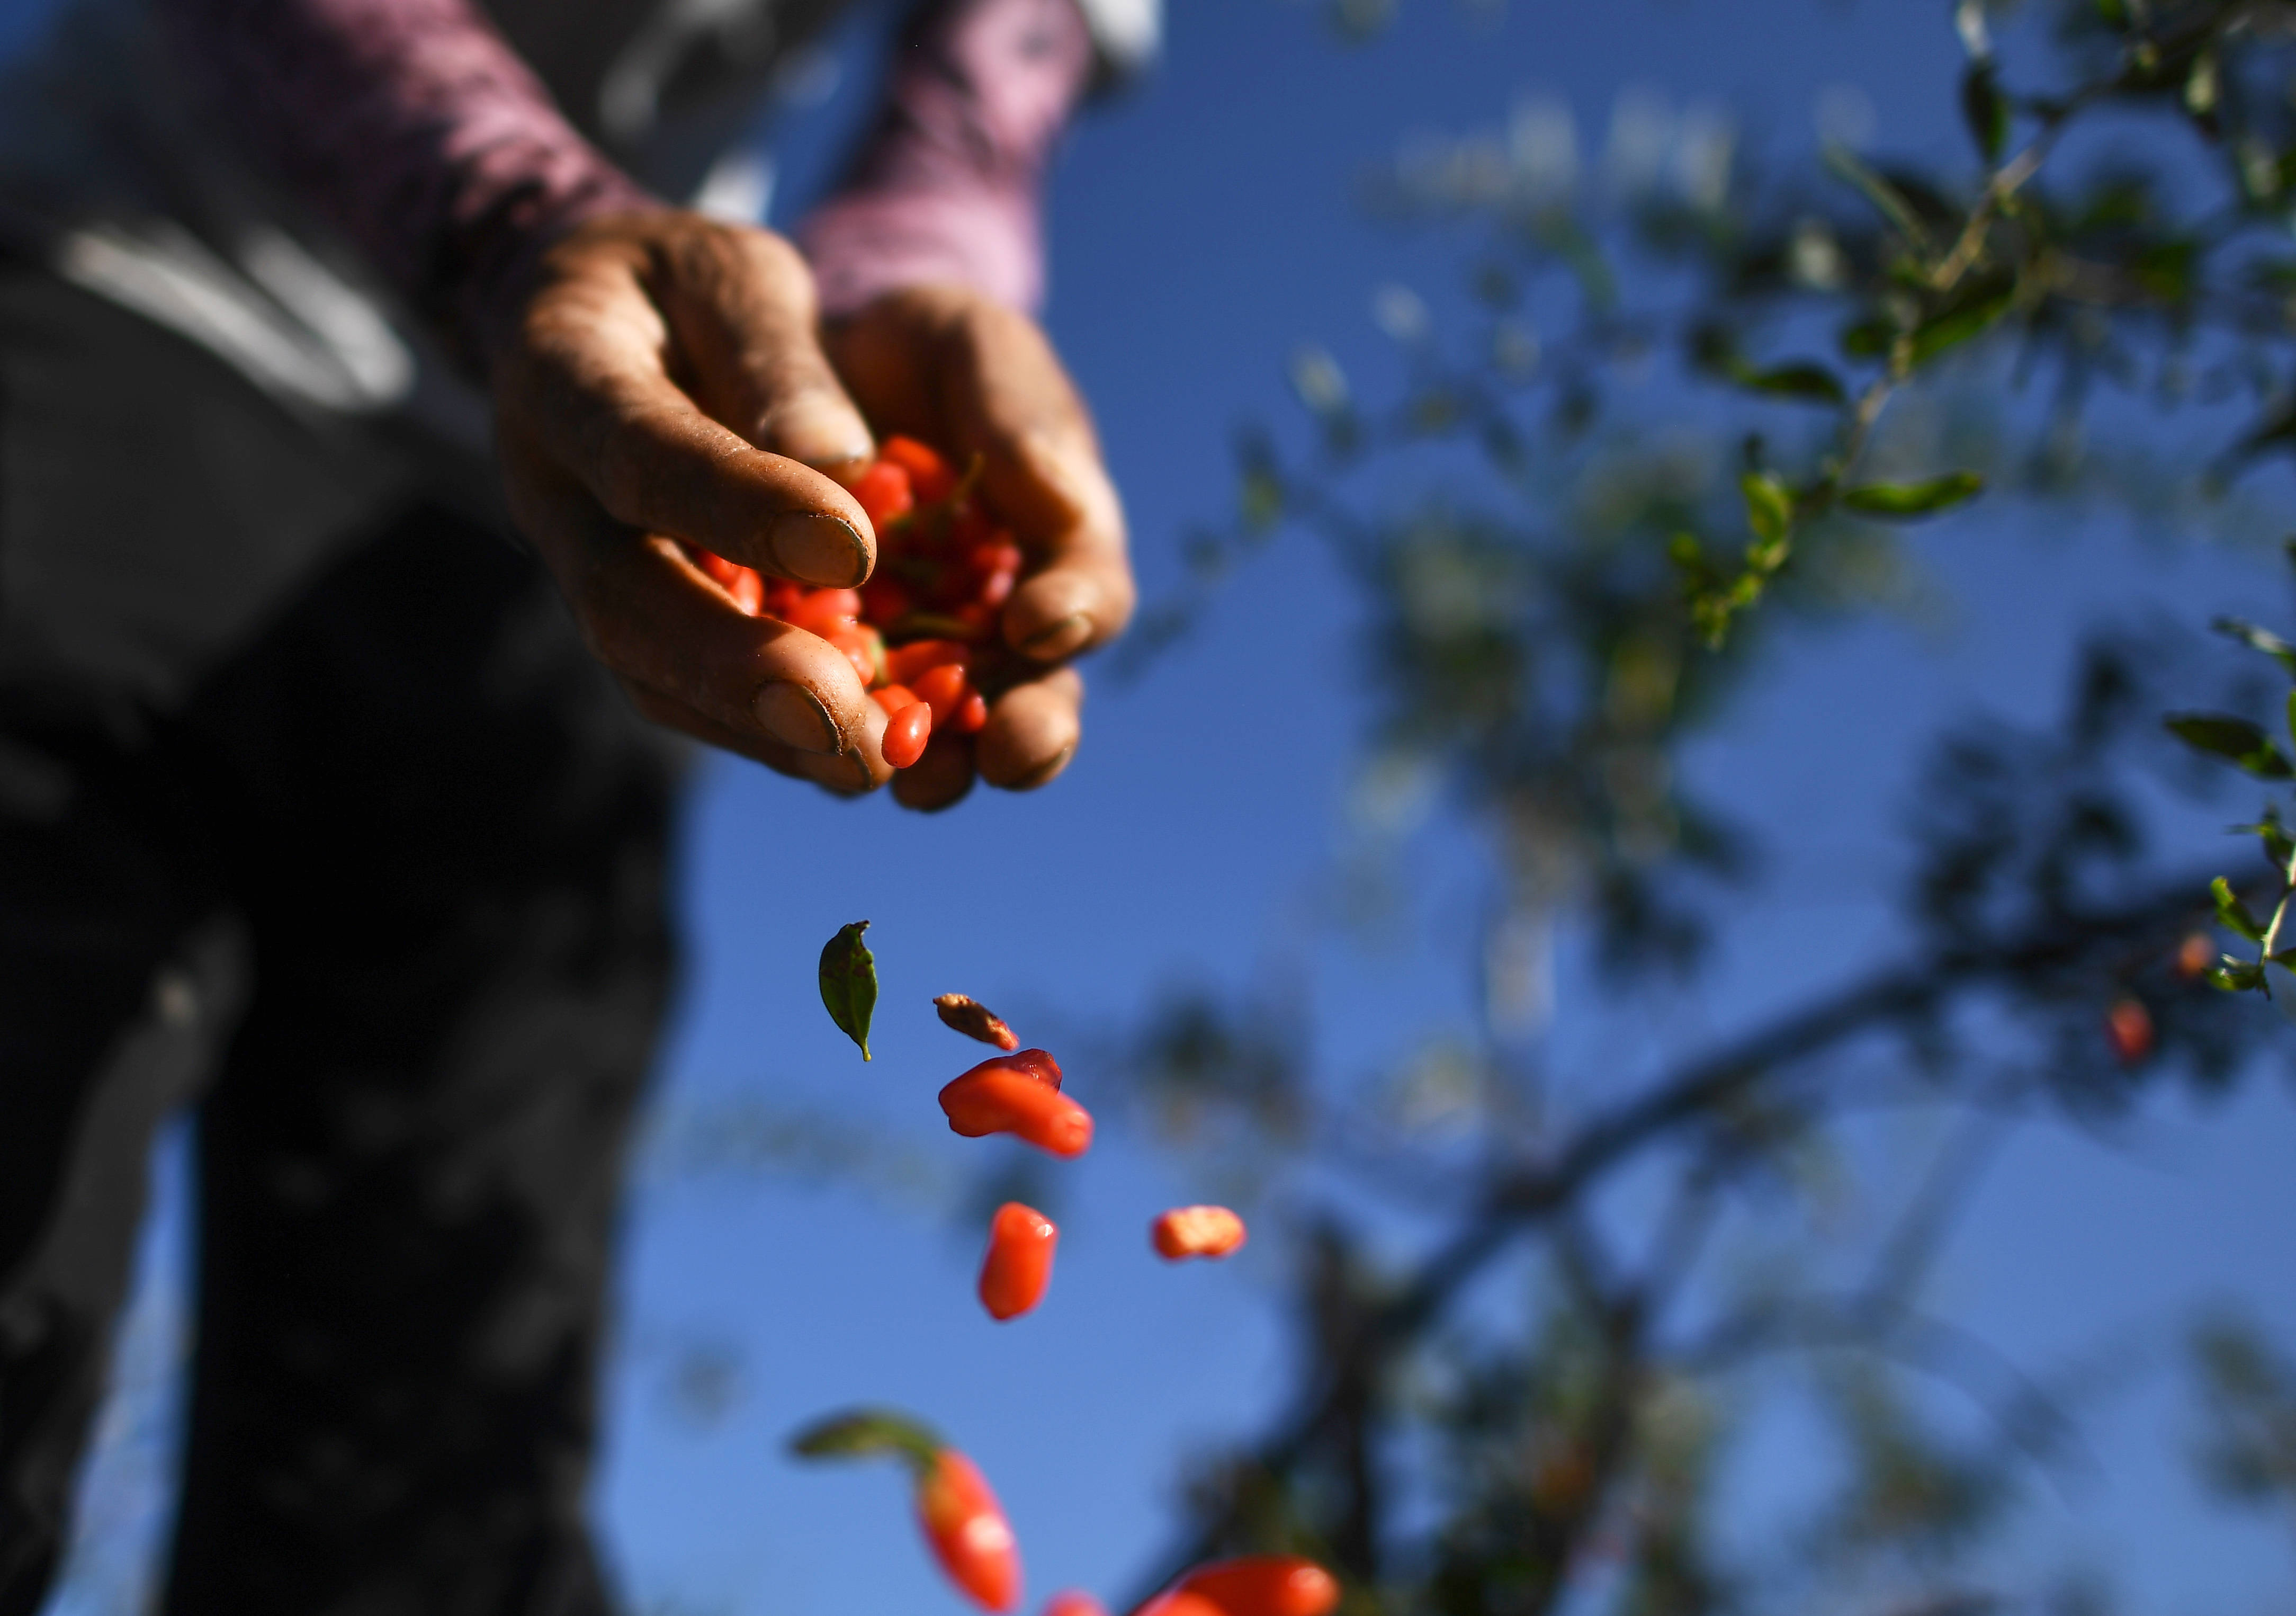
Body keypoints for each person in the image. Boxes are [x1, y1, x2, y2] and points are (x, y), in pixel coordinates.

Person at [0, 0, 1149, 1608]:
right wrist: (513, 213)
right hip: (125, 311)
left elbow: (998, 60)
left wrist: (913, 269)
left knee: (429, 1511)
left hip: (581, 518)